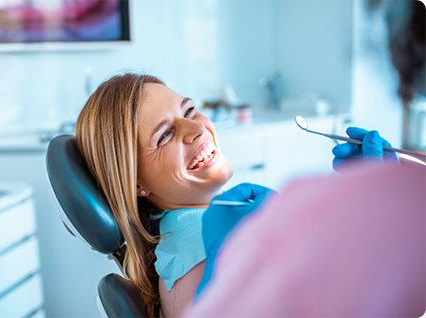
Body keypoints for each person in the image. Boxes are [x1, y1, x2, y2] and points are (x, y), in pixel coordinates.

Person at [182, 0, 426, 316]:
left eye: (190, 110)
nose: (194, 131)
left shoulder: (305, 228)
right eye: (162, 135)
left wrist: (219, 266)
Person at [74, 73, 274, 318]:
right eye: (165, 135)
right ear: (136, 183)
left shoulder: (184, 240)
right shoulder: (198, 253)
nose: (198, 128)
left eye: (189, 111)